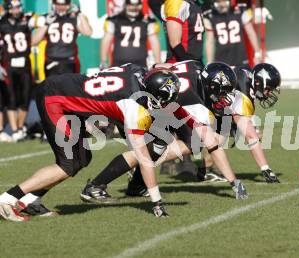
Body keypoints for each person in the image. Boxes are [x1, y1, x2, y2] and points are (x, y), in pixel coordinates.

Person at [0, 63, 183, 221]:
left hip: (67, 95)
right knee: (68, 163)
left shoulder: (137, 70)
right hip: (55, 98)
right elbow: (143, 159)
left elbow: (157, 69)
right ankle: (7, 199)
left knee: (82, 159)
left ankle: (31, 200)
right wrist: (157, 201)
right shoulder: (133, 107)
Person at [80, 61, 249, 202]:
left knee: (188, 143)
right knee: (148, 149)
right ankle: (95, 185)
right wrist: (234, 181)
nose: (224, 98)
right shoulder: (197, 101)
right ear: (212, 85)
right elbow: (212, 145)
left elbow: (160, 65)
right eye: (223, 92)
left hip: (147, 94)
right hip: (139, 103)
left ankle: (137, 186)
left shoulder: (196, 66)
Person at [198, 63, 281, 183]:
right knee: (191, 143)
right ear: (259, 82)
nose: (268, 94)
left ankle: (204, 170)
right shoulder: (244, 93)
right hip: (201, 101)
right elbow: (250, 136)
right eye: (268, 89)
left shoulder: (247, 76)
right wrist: (266, 169)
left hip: (211, 99)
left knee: (219, 138)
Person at [0, 0, 43, 142]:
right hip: (8, 65)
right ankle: (15, 130)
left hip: (25, 64)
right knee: (11, 99)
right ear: (8, 9)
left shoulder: (27, 18)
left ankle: (19, 129)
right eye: (15, 7)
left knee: (25, 99)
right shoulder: (2, 22)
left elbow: (42, 21)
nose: (18, 10)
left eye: (19, 6)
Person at [31, 0, 92, 78]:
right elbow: (34, 41)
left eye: (64, 5)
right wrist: (46, 24)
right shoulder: (45, 17)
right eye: (58, 4)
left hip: (69, 61)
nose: (61, 7)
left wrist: (79, 13)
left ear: (70, 5)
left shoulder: (76, 17)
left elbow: (88, 33)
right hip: (51, 61)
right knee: (52, 88)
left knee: (70, 89)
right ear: (53, 4)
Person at [100, 0, 161, 69]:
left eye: (136, 5)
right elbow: (106, 40)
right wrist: (103, 61)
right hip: (118, 64)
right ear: (126, 5)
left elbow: (154, 42)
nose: (134, 8)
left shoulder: (148, 21)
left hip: (140, 64)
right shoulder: (115, 20)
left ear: (140, 5)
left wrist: (158, 61)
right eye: (131, 5)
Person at [204, 0, 262, 67]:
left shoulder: (240, 9)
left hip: (240, 60)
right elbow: (210, 41)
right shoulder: (210, 14)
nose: (222, 4)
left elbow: (251, 33)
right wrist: (209, 63)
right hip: (222, 62)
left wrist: (257, 53)